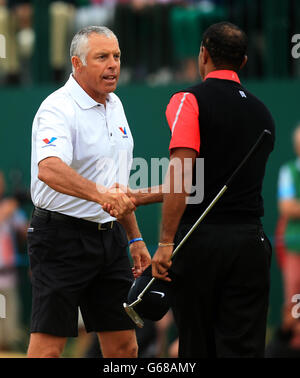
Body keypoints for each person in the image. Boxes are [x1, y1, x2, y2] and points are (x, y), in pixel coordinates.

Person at [109, 22, 276, 357]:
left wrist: (166, 243)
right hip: (252, 245)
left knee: (197, 348)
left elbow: (184, 176)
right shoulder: (263, 112)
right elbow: (206, 181)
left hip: (200, 242)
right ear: (243, 62)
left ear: (203, 54)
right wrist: (141, 196)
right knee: (244, 348)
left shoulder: (188, 99)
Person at [27, 25, 151, 358]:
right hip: (60, 238)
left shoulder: (116, 105)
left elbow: (116, 186)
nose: (113, 64)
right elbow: (49, 168)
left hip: (110, 239)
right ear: (77, 64)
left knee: (125, 347)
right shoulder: (57, 108)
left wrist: (134, 237)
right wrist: (101, 196)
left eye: (117, 56)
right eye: (102, 57)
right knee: (49, 349)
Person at [277, 125, 300, 350]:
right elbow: (286, 207)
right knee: (295, 298)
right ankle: (295, 343)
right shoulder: (288, 171)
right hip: (295, 246)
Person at [0, 171, 28, 351]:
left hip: (7, 278)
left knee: (9, 335)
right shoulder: (7, 208)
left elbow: (26, 233)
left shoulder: (10, 208)